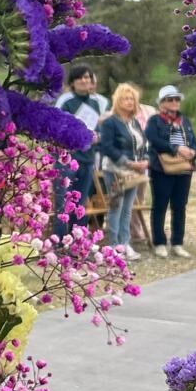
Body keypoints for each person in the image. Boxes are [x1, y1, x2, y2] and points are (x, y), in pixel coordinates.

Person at [145, 85, 196, 259]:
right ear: (161, 103)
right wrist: (176, 148)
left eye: (176, 99)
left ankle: (177, 243)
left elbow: (194, 142)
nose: (174, 102)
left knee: (180, 207)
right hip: (162, 169)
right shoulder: (155, 120)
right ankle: (160, 243)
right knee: (160, 206)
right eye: (170, 99)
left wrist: (193, 152)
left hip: (184, 169)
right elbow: (153, 139)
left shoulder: (185, 121)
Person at [53, 66, 109, 235]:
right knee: (63, 203)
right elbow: (58, 128)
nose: (85, 81)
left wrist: (98, 136)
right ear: (73, 82)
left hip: (87, 159)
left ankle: (79, 243)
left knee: (81, 203)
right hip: (67, 160)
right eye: (80, 78)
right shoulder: (66, 101)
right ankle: (60, 244)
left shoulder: (97, 102)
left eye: (88, 77)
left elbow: (101, 131)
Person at [96, 83, 149, 261]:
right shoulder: (110, 122)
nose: (129, 102)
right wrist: (128, 163)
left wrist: (145, 160)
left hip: (134, 172)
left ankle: (125, 244)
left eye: (132, 98)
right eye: (125, 98)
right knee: (115, 207)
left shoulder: (134, 122)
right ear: (118, 101)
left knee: (127, 209)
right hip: (116, 170)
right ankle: (113, 246)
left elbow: (144, 144)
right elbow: (107, 147)